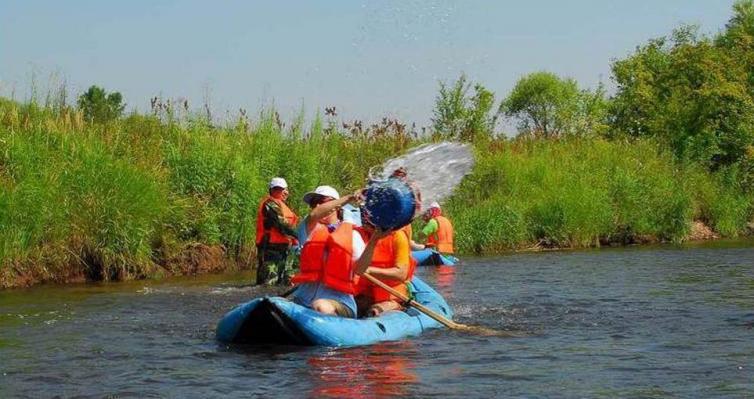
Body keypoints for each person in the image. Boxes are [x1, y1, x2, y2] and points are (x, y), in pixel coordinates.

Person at [291, 200, 379, 318]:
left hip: (339, 303)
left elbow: (360, 270)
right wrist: (350, 197)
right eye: (314, 203)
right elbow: (314, 215)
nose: (317, 205)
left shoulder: (353, 235)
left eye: (323, 201)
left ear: (337, 207)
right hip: (303, 300)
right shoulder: (308, 230)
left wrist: (374, 241)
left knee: (320, 306)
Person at [353, 211, 417, 317]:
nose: (366, 224)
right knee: (355, 306)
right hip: (365, 294)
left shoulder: (398, 236)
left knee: (374, 311)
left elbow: (401, 273)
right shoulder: (357, 234)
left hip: (392, 295)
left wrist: (369, 270)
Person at [255, 177, 299, 286]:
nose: (282, 192)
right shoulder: (270, 204)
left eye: (284, 189)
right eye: (278, 189)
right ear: (271, 190)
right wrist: (300, 235)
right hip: (270, 248)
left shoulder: (282, 206)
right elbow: (281, 224)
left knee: (283, 283)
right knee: (268, 283)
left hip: (284, 249)